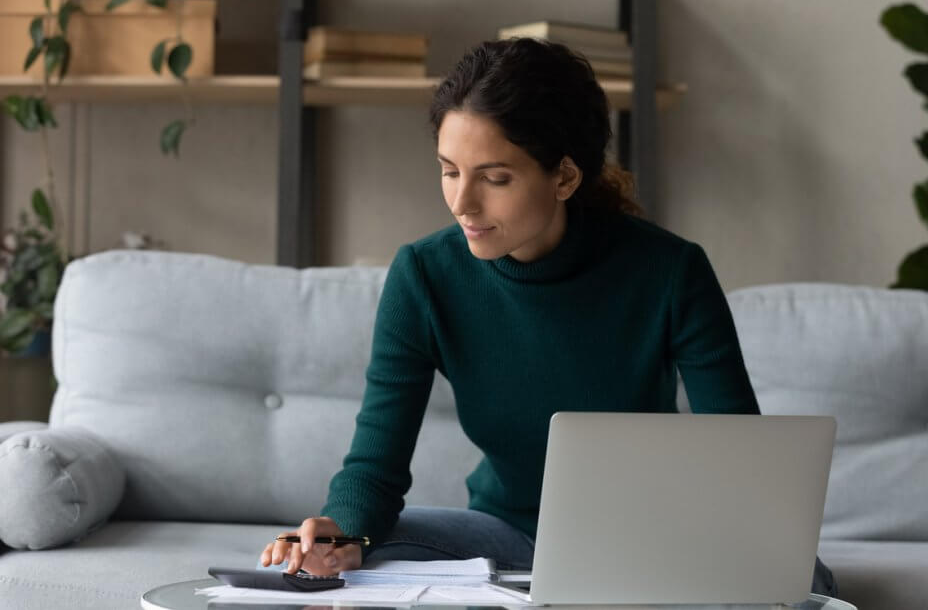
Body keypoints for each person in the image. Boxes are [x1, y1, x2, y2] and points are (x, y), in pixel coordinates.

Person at [259, 37, 839, 598]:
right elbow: (376, 464)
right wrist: (344, 531)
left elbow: (738, 453)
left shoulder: (671, 272)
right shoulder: (423, 275)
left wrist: (743, 546)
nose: (463, 202)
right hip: (504, 536)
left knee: (800, 578)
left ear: (563, 176)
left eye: (495, 177)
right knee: (365, 562)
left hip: (653, 539)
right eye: (449, 170)